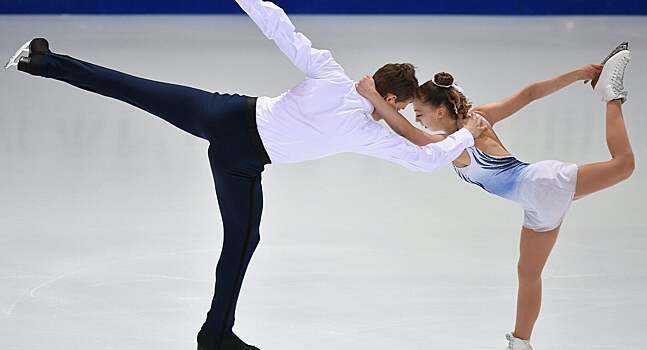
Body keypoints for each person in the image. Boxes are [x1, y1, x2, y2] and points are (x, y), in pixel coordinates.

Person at [4, 1, 486, 349]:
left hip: (226, 116)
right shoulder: (369, 131)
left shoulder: (333, 75)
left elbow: (279, 26)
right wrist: (468, 133)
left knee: (136, 89)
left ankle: (41, 61)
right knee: (241, 242)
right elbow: (426, 160)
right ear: (397, 100)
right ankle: (215, 336)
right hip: (242, 158)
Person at [356, 43, 633, 350]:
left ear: (440, 110)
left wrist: (373, 98)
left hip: (542, 184)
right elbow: (528, 94)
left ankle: (611, 92)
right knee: (527, 273)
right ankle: (520, 342)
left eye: (420, 113)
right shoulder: (472, 124)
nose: (419, 119)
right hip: (535, 205)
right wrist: (577, 73)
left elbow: (410, 133)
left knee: (623, 165)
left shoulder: (459, 143)